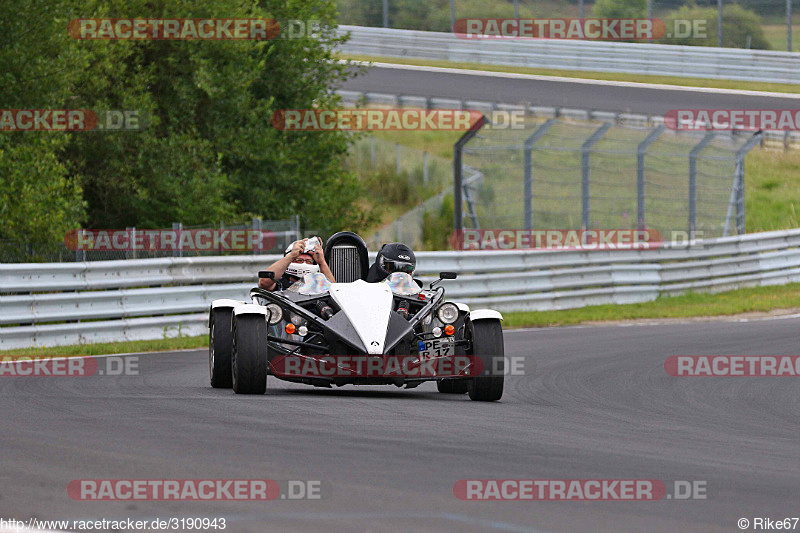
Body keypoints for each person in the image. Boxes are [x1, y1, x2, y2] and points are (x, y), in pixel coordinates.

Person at [259, 237, 336, 291]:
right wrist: (292, 255)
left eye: (308, 261)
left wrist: (322, 262)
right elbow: (264, 283)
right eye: (299, 260)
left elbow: (335, 291)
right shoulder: (279, 283)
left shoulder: (318, 283)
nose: (304, 263)